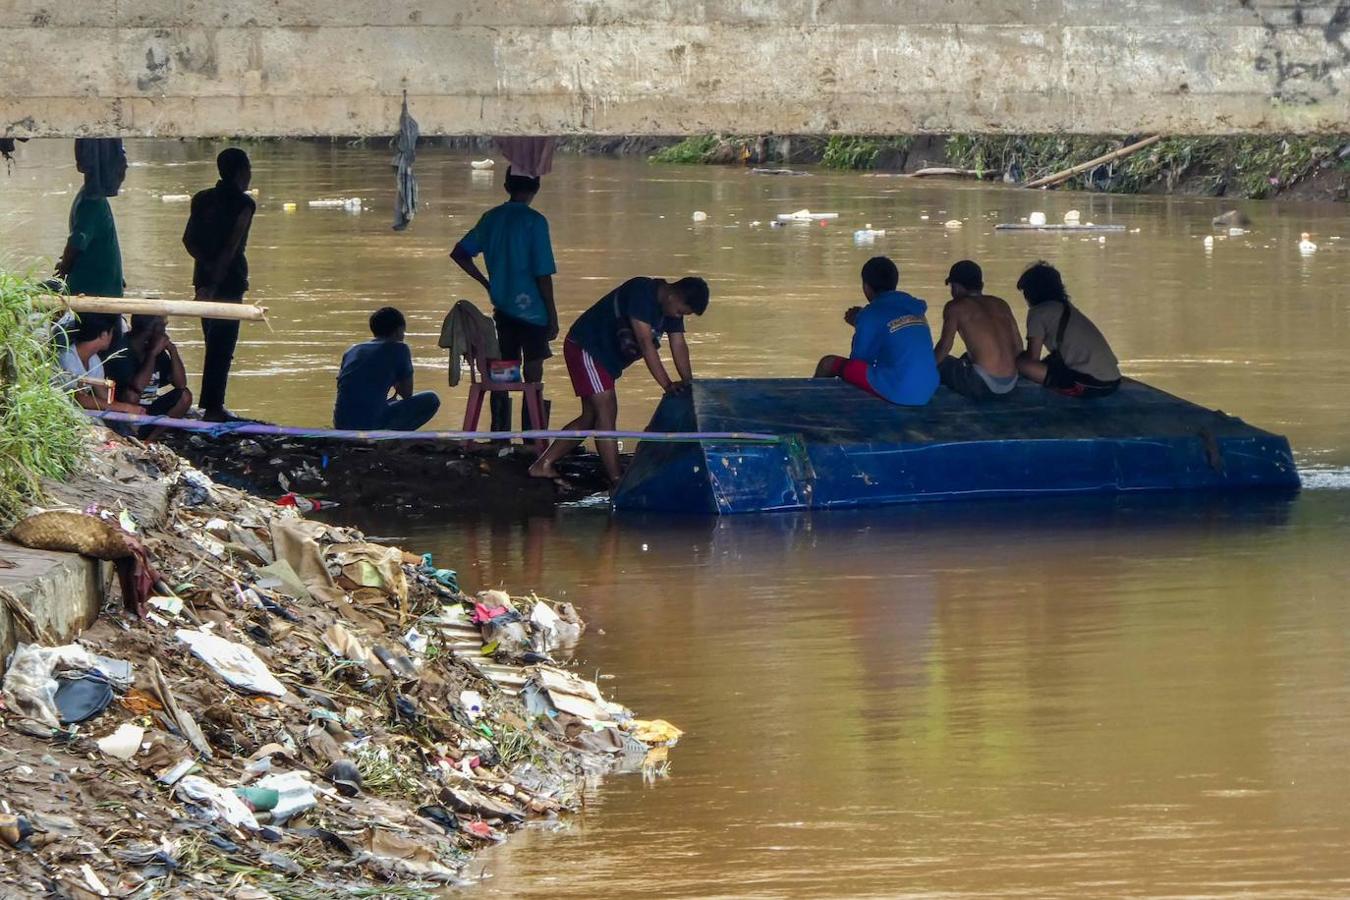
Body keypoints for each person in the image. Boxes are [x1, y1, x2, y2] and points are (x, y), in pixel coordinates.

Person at [528, 276, 710, 486]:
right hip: (587, 348)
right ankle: (616, 479)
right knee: (606, 411)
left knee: (590, 417)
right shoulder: (642, 293)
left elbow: (678, 344)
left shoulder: (669, 308)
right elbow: (645, 343)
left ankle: (543, 464)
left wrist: (689, 383)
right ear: (673, 296)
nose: (678, 317)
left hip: (606, 360)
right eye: (680, 312)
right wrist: (667, 385)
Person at [450, 168, 558, 430]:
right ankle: (533, 436)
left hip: (503, 310)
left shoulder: (491, 219)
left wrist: (487, 283)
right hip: (534, 312)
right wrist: (552, 316)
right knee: (533, 374)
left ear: (506, 185)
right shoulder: (535, 221)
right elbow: (543, 275)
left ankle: (500, 435)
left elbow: (460, 253)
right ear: (536, 187)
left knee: (503, 373)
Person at [183, 147, 255, 422]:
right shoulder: (244, 204)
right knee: (222, 345)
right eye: (248, 170)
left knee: (212, 340)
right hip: (229, 280)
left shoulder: (201, 199)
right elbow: (231, 247)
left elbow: (188, 240)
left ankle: (210, 405)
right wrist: (215, 282)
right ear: (240, 172)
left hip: (202, 277)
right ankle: (213, 408)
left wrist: (205, 271)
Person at [814, 256, 939, 406]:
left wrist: (861, 324)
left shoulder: (870, 314)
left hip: (901, 391)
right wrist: (861, 323)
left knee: (828, 363)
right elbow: (894, 333)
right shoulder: (914, 307)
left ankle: (813, 404)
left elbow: (859, 361)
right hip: (927, 389)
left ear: (866, 287)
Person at [1015, 261, 1121, 398]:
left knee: (1022, 364)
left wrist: (1014, 356)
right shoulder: (1066, 308)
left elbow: (1032, 358)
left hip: (1091, 384)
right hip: (1113, 380)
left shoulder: (1038, 312)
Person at [334, 306, 441, 431]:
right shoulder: (400, 349)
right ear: (398, 330)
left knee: (383, 404)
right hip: (370, 425)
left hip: (341, 424)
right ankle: (391, 436)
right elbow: (407, 393)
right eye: (403, 332)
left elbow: (346, 386)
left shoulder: (352, 350)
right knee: (432, 399)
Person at [933, 259, 1023, 400]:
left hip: (982, 384)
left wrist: (924, 368)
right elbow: (1018, 347)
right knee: (966, 357)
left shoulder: (955, 307)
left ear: (956, 287)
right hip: (1011, 383)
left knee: (942, 363)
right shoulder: (1001, 304)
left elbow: (944, 347)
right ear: (981, 284)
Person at [55, 139, 127, 300]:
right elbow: (76, 243)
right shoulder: (91, 202)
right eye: (120, 163)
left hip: (102, 286)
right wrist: (64, 268)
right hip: (94, 293)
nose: (124, 168)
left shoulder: (92, 197)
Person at [104, 315, 193, 438]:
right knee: (132, 396)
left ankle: (150, 438)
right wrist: (152, 354)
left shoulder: (155, 348)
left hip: (148, 408)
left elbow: (180, 384)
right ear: (152, 330)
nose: (164, 331)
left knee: (185, 395)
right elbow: (137, 387)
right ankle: (130, 433)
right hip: (124, 410)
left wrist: (172, 350)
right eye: (163, 327)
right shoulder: (122, 350)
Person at [56, 313, 141, 415]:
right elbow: (77, 398)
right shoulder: (67, 358)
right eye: (112, 333)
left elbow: (104, 396)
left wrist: (125, 409)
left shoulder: (94, 360)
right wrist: (125, 407)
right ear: (104, 335)